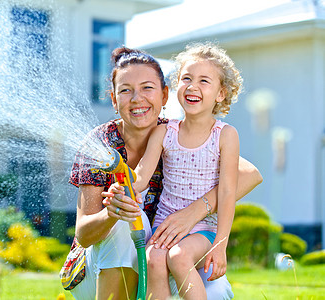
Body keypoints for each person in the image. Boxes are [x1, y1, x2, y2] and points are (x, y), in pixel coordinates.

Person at [67, 46, 262, 300]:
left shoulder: (194, 133)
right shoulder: (102, 143)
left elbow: (250, 174)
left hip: (182, 241)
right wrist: (114, 206)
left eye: (147, 88)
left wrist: (194, 212)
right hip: (100, 269)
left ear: (164, 94)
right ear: (114, 100)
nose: (137, 99)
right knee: (130, 224)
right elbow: (83, 234)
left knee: (216, 291)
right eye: (125, 90)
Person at [110, 42, 242, 299]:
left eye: (204, 81)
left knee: (179, 257)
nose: (193, 86)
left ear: (221, 93)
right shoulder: (164, 132)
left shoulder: (225, 135)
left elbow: (227, 192)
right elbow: (140, 177)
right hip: (164, 225)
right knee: (153, 260)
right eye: (186, 78)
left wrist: (221, 244)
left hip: (203, 229)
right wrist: (123, 185)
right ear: (176, 86)